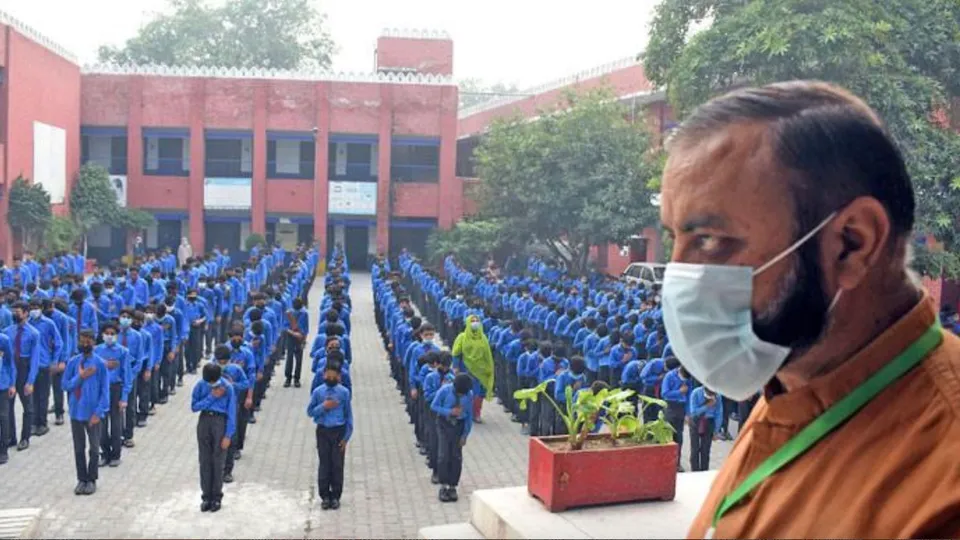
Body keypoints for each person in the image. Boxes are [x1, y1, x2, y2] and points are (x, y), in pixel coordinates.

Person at [660, 81, 960, 539]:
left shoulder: (942, 489)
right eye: (673, 239)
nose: (677, 274)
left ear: (851, 244)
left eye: (711, 241)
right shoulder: (794, 382)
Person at [62, 330, 109, 495]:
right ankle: (81, 479)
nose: (85, 344)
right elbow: (65, 385)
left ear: (94, 343)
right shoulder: (73, 362)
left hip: (93, 413)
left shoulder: (100, 364)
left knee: (94, 448)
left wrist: (98, 412)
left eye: (88, 341)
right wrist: (80, 377)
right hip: (76, 411)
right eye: (82, 340)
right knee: (78, 448)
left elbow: (105, 391)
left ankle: (92, 479)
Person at [306, 359, 353, 511]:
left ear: (339, 377)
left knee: (338, 465)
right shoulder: (318, 392)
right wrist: (323, 407)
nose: (331, 378)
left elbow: (349, 416)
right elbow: (310, 412)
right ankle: (325, 496)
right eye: (328, 375)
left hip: (339, 432)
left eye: (334, 376)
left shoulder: (344, 393)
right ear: (324, 374)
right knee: (324, 463)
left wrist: (346, 437)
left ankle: (336, 496)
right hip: (323, 431)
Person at [191, 362, 236, 513]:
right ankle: (206, 497)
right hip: (204, 421)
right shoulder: (200, 385)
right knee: (204, 461)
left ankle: (217, 497)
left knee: (218, 461)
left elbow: (232, 413)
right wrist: (211, 396)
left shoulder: (228, 387)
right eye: (208, 382)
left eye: (213, 382)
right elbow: (194, 407)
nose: (211, 384)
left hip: (220, 422)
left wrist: (228, 435)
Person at [430, 372, 473, 503]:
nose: (461, 396)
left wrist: (465, 434)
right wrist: (449, 411)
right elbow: (434, 406)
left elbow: (469, 416)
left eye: (463, 394)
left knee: (456, 456)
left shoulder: (469, 395)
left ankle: (453, 486)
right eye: (459, 394)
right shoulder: (444, 390)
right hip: (444, 423)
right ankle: (443, 486)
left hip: (458, 426)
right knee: (443, 455)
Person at [5, 302, 40, 451]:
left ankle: (25, 438)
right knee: (8, 406)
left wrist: (30, 381)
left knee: (28, 406)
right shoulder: (7, 331)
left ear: (26, 313)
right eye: (13, 311)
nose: (15, 314)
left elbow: (35, 359)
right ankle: (10, 437)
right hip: (10, 369)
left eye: (17, 311)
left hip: (25, 368)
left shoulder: (33, 333)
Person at [452, 314, 494, 423]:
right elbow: (456, 353)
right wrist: (455, 367)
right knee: (466, 392)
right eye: (472, 321)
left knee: (479, 392)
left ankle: (476, 414)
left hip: (480, 370)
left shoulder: (483, 337)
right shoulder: (462, 337)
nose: (475, 323)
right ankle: (464, 412)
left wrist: (488, 369)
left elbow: (487, 354)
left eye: (476, 321)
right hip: (466, 368)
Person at [686, 385, 722, 472]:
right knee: (695, 449)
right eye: (710, 394)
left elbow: (719, 413)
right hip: (696, 421)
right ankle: (695, 471)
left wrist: (716, 431)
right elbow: (694, 412)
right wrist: (707, 406)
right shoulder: (696, 393)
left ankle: (704, 471)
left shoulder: (718, 396)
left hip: (709, 422)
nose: (712, 396)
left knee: (705, 450)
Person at [0, 329, 14, 464]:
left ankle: (3, 450)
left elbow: (10, 363)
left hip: (2, 384)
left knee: (3, 416)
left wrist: (11, 384)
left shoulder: (4, 339)